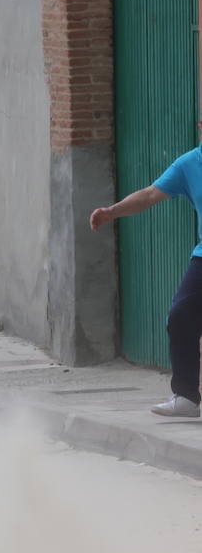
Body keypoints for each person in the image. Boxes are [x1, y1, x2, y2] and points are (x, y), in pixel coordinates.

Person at [91, 145, 202, 417]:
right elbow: (151, 194)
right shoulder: (189, 164)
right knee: (181, 315)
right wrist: (112, 211)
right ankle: (186, 396)